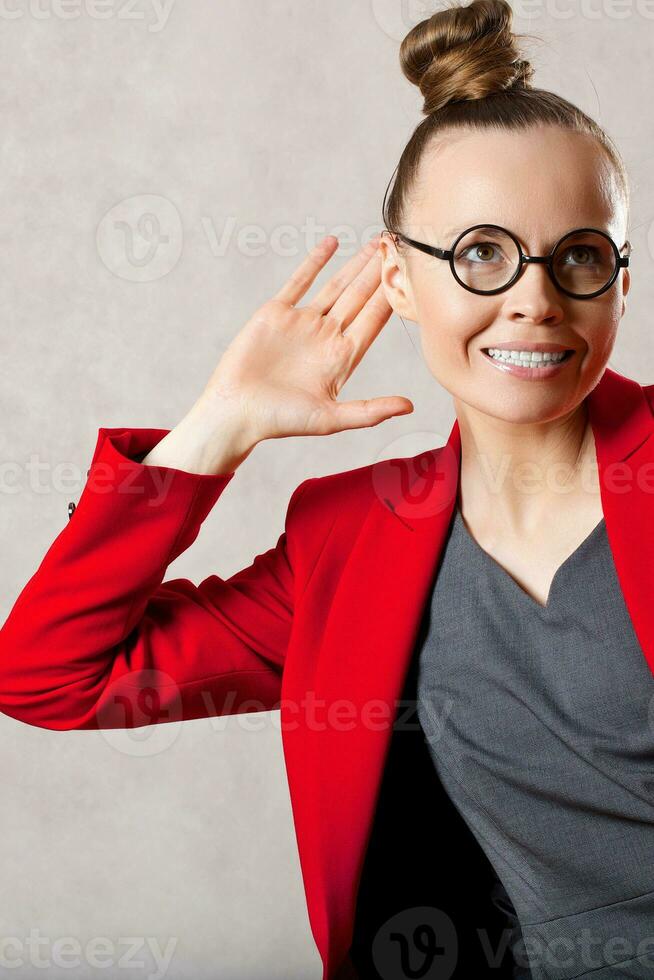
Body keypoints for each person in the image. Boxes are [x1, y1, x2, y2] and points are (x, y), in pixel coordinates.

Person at [0, 1, 650, 977]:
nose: (535, 298)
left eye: (581, 256)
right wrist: (213, 432)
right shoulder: (347, 537)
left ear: (622, 279)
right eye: (480, 252)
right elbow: (51, 675)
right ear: (395, 279)